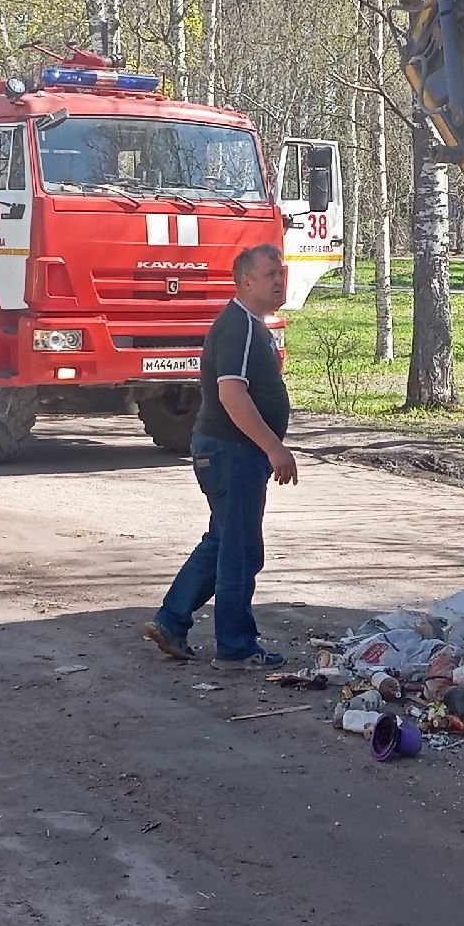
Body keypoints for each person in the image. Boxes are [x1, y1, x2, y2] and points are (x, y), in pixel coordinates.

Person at [144, 242, 296, 668]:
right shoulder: (239, 327)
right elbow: (232, 394)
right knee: (239, 552)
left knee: (223, 542)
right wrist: (273, 447)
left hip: (230, 452)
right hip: (233, 452)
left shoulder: (251, 325)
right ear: (245, 282)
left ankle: (171, 621)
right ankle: (236, 647)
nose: (279, 281)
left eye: (281, 273)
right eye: (270, 275)